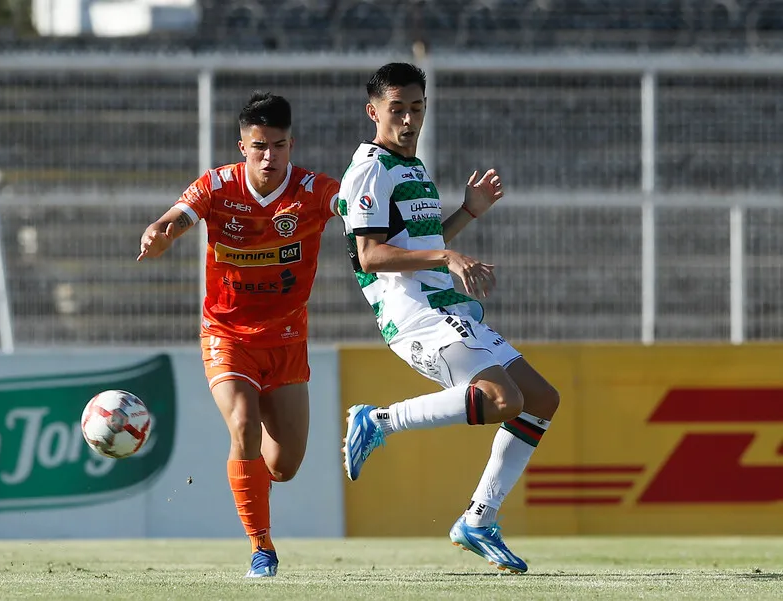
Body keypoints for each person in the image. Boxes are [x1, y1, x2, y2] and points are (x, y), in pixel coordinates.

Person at [338, 63, 560, 574]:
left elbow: (422, 241)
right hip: (416, 315)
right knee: (504, 400)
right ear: (373, 112)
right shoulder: (369, 168)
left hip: (446, 307)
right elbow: (370, 255)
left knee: (542, 400)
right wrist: (448, 259)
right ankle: (378, 420)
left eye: (417, 108)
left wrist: (468, 212)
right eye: (397, 109)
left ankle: (478, 521)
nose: (409, 119)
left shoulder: (410, 167)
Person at [137, 92, 340, 578]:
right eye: (259, 146)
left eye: (279, 145)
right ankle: (261, 549)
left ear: (292, 144)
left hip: (287, 339)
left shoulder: (313, 190)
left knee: (284, 466)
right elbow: (180, 215)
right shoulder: (218, 186)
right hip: (226, 333)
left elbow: (354, 208)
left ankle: (250, 476)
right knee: (244, 424)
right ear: (242, 145)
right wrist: (160, 230)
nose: (269, 156)